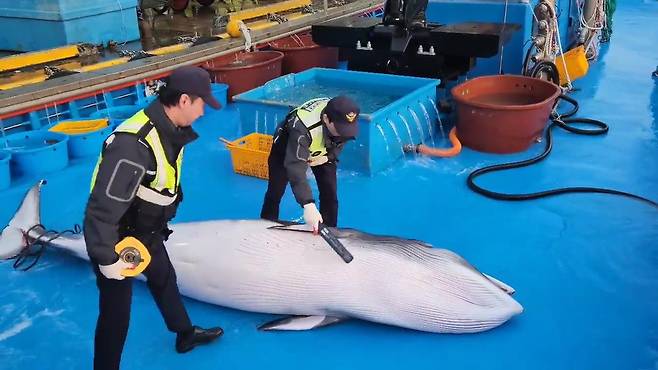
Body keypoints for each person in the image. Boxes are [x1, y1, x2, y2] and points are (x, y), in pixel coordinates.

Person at [83, 66, 223, 370]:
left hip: (146, 231)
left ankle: (184, 335)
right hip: (117, 240)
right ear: (184, 100)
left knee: (163, 278)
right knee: (116, 314)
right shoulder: (133, 145)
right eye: (202, 104)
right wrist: (108, 260)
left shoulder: (171, 130)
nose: (203, 112)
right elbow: (101, 211)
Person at [260, 96, 360, 231]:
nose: (342, 134)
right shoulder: (301, 127)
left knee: (330, 193)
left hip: (322, 151)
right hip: (287, 147)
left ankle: (329, 230)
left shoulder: (343, 119)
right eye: (339, 129)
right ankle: (264, 225)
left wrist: (328, 157)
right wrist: (308, 204)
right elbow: (295, 168)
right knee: (275, 191)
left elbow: (341, 141)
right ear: (326, 119)